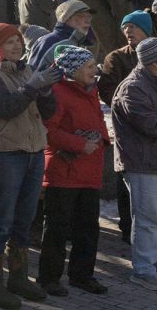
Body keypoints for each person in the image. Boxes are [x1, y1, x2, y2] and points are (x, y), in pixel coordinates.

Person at [0, 23, 60, 310]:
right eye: (8, 41)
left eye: (17, 40)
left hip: (34, 149)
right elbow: (5, 109)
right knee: (0, 220)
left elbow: (48, 113)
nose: (16, 45)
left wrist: (45, 91)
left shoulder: (26, 71)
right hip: (5, 152)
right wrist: (32, 88)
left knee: (25, 219)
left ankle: (19, 277)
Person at [39, 44, 110, 296]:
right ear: (74, 69)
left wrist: (103, 138)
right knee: (57, 228)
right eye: (89, 66)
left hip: (89, 171)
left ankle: (82, 275)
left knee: (89, 227)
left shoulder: (91, 90)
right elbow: (49, 131)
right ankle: (49, 278)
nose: (95, 70)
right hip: (63, 171)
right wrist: (80, 144)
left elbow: (99, 120)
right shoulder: (56, 92)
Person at [111, 37, 157, 291]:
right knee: (148, 219)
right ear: (156, 61)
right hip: (144, 164)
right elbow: (153, 126)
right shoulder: (133, 88)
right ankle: (144, 270)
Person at [99, 11, 152, 242]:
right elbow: (107, 89)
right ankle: (127, 226)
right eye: (125, 27)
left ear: (147, 29)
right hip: (129, 126)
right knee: (127, 175)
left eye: (134, 27)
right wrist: (128, 109)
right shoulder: (117, 58)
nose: (128, 31)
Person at [28, 0, 95, 70]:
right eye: (81, 16)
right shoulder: (52, 42)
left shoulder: (76, 42)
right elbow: (34, 75)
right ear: (66, 18)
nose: (87, 21)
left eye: (89, 16)